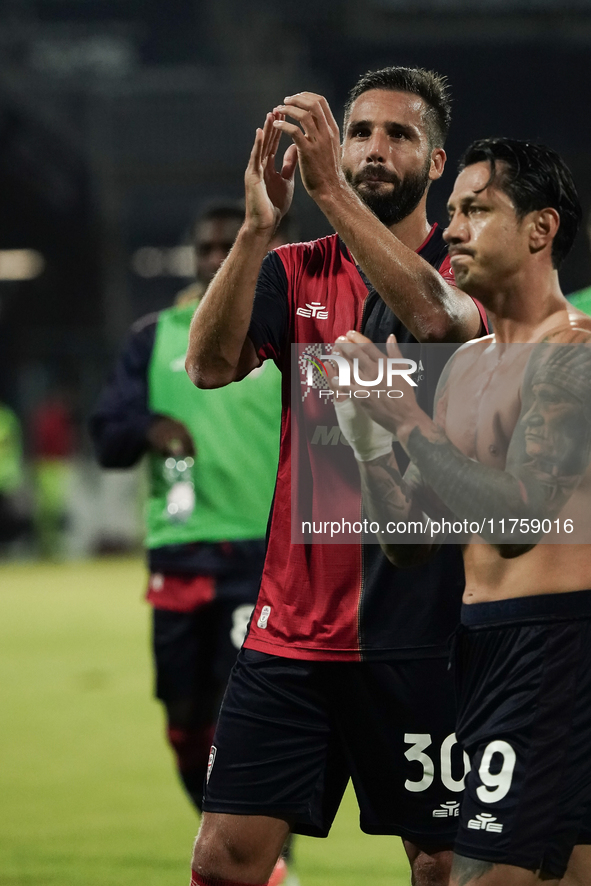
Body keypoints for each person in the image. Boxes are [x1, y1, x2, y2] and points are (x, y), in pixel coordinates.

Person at [185, 67, 488, 886]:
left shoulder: (466, 269)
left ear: (435, 163)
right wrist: (255, 232)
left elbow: (430, 317)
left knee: (441, 866)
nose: (373, 150)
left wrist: (324, 189)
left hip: (423, 638)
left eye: (399, 136)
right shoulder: (294, 270)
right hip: (291, 631)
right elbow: (208, 367)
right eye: (358, 133)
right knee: (223, 864)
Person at [334, 138, 591, 885]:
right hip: (480, 643)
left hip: (556, 644)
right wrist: (369, 443)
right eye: (450, 213)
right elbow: (413, 544)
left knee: (476, 875)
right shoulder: (466, 366)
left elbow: (517, 523)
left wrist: (405, 420)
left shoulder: (571, 354)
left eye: (475, 210)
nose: (450, 230)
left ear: (539, 230)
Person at [90, 202, 297, 886]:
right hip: (179, 558)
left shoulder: (288, 334)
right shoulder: (155, 337)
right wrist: (148, 424)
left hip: (263, 558)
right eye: (206, 248)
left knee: (249, 719)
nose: (215, 259)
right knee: (184, 722)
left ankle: (270, 864)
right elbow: (107, 436)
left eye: (225, 247)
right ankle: (234, 843)